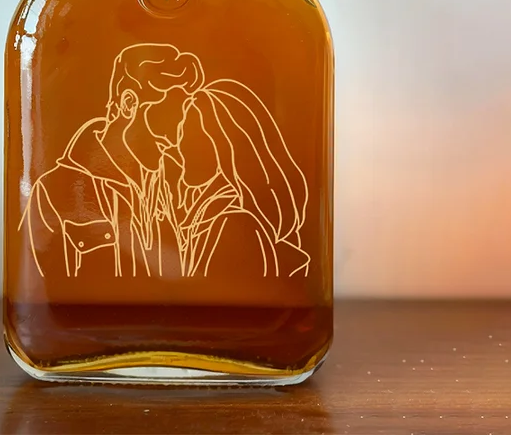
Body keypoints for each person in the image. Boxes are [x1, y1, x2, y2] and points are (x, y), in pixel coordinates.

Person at [19, 43, 310, 279]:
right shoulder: (55, 192)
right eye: (167, 116)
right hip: (96, 335)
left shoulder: (167, 193)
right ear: (129, 103)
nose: (175, 138)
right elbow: (41, 289)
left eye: (181, 118)